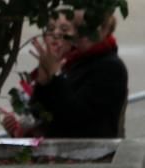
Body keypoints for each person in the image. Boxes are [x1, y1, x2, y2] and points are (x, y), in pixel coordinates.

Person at [28, 10, 127, 138]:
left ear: (104, 29)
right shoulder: (74, 61)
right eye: (78, 27)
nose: (81, 33)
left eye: (88, 27)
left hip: (91, 152)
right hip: (60, 149)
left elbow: (76, 118)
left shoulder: (111, 67)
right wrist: (43, 82)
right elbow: (39, 113)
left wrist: (55, 75)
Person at [1, 13, 78, 137]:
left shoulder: (78, 71)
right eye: (50, 29)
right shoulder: (32, 76)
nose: (56, 34)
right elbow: (25, 116)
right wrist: (13, 125)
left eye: (64, 30)